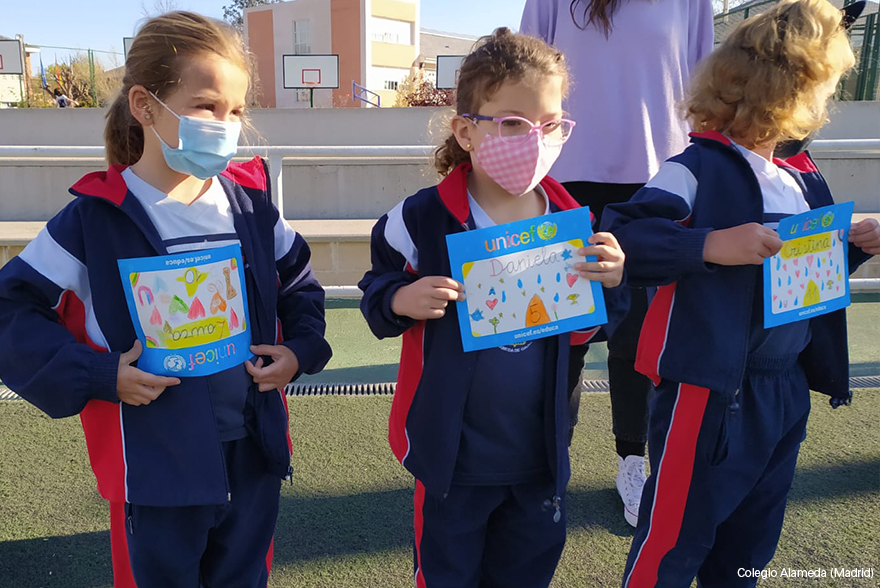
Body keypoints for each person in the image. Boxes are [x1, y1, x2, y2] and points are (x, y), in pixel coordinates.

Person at [0, 12, 331, 588]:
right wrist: (100, 374)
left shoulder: (252, 209)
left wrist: (300, 350)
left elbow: (300, 285)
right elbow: (10, 311)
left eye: (234, 111)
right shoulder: (93, 219)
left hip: (251, 456)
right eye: (205, 106)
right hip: (153, 470)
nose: (224, 125)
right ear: (145, 106)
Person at [601, 1, 879, 586]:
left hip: (784, 390)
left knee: (749, 547)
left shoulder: (802, 176)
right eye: (823, 88)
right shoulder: (695, 167)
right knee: (673, 543)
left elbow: (796, 279)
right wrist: (708, 245)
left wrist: (852, 248)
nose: (823, 104)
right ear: (789, 89)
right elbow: (625, 236)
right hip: (706, 394)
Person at [359, 28, 627, 588]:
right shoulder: (419, 219)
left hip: (540, 451)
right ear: (466, 130)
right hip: (451, 457)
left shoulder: (571, 219)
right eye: (511, 123)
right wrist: (402, 299)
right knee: (447, 573)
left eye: (549, 123)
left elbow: (584, 333)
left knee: (526, 571)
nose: (533, 138)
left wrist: (610, 281)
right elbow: (375, 295)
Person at [520, 0, 714, 528]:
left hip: (658, 186)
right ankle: (544, 469)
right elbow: (526, 69)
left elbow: (703, 83)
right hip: (564, 180)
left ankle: (633, 461)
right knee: (560, 335)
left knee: (637, 342)